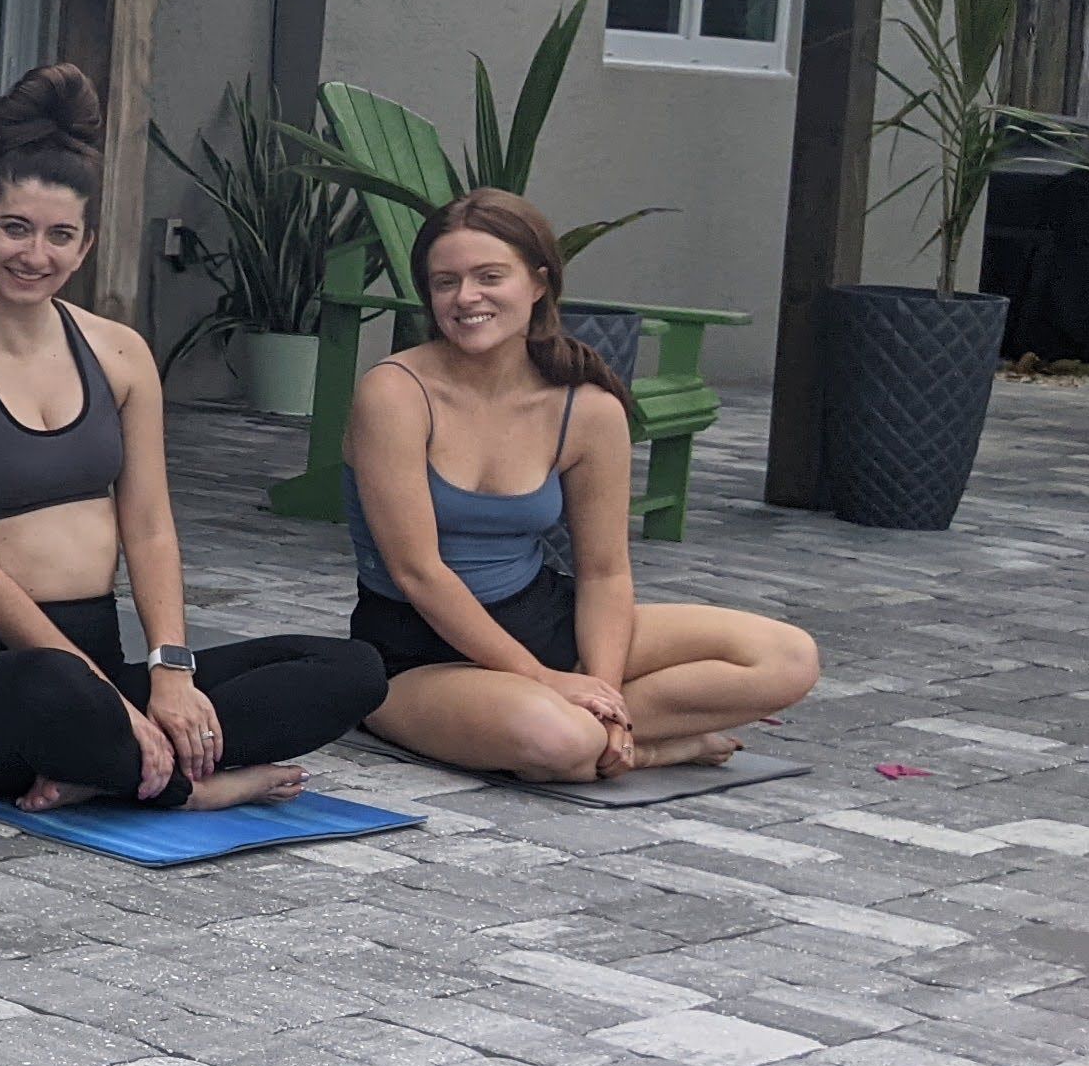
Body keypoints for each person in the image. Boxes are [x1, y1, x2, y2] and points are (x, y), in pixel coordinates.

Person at [0, 67, 387, 809]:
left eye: (60, 236)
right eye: (14, 228)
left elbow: (148, 526)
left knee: (350, 668)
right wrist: (116, 707)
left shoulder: (119, 354)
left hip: (98, 661)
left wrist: (169, 674)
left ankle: (111, 770)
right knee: (59, 689)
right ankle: (192, 789)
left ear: (84, 247)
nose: (35, 255)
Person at [347, 190, 819, 780]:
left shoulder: (587, 408)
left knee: (787, 657)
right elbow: (419, 573)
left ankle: (612, 737)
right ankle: (650, 747)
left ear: (539, 283)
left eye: (489, 276)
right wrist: (545, 681)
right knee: (559, 738)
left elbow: (604, 571)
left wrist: (606, 691)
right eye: (445, 282)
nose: (466, 298)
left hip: (544, 618)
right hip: (418, 654)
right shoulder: (394, 393)